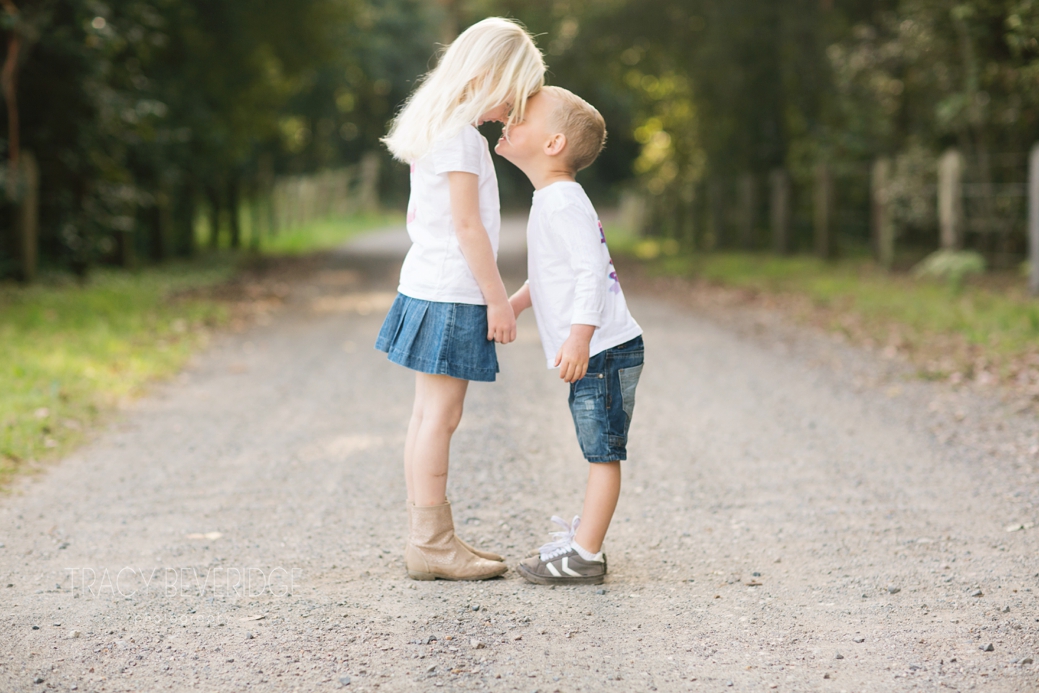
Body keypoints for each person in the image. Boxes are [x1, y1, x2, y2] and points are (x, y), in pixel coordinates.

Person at [377, 18, 545, 581]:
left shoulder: (440, 128)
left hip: (428, 284)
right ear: (487, 76)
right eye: (514, 95)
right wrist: (498, 300)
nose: (514, 111)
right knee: (440, 419)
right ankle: (431, 543)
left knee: (428, 416)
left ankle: (431, 536)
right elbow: (468, 228)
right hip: (452, 293)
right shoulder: (462, 140)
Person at [496, 86, 644, 585]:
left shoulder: (560, 202)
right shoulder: (552, 199)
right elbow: (551, 274)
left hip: (603, 347)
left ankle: (585, 554)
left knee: (602, 452)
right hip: (599, 346)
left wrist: (580, 337)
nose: (509, 118)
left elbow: (591, 271)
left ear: (553, 143)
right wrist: (514, 305)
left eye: (523, 115)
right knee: (597, 446)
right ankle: (585, 544)